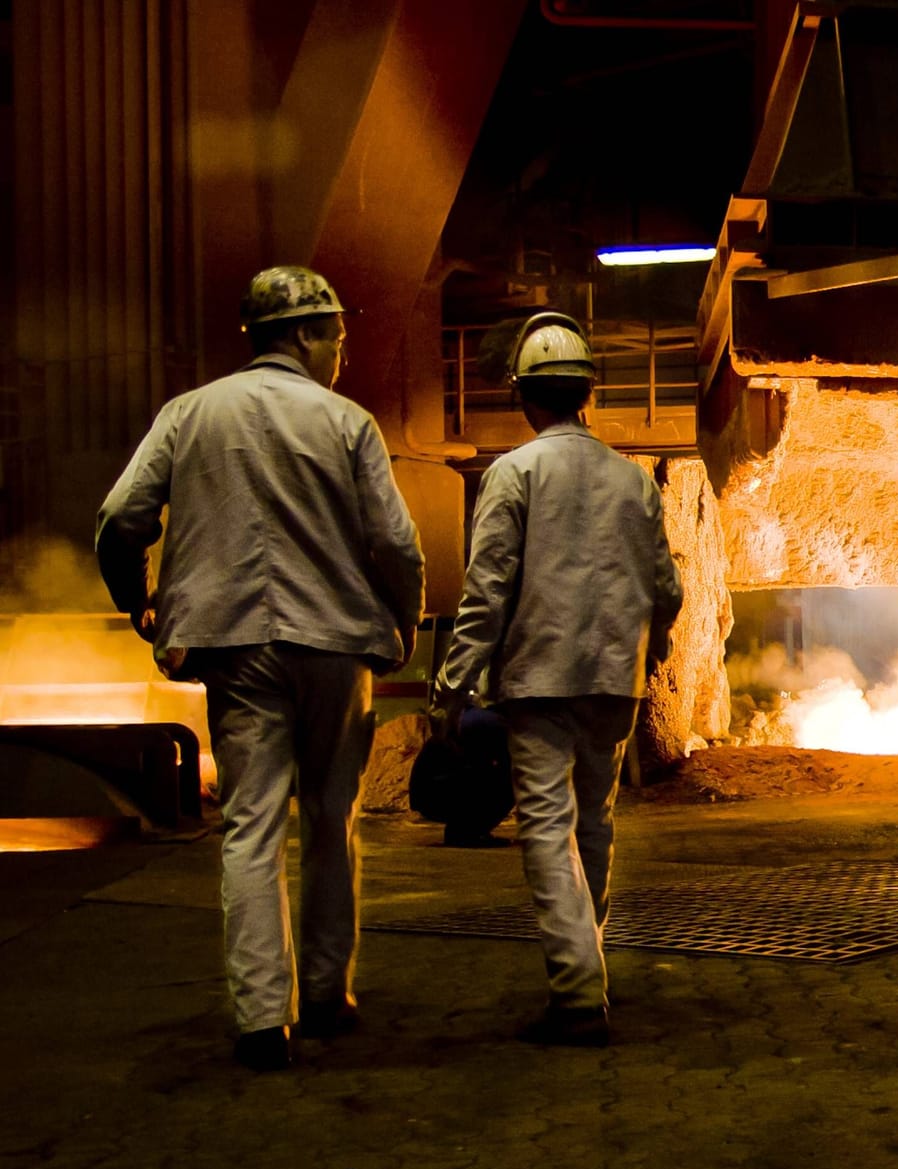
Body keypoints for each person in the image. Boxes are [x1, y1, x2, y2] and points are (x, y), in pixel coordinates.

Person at [96, 266, 425, 1072]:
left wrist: (140, 603)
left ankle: (258, 1020)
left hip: (234, 648)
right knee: (329, 818)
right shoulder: (346, 423)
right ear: (305, 335)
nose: (342, 355)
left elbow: (118, 520)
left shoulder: (187, 415)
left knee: (248, 829)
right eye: (337, 339)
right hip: (336, 646)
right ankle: (324, 995)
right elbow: (395, 544)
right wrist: (402, 623)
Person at [432, 311, 681, 1048]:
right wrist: (649, 645)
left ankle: (576, 992)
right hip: (613, 679)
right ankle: (587, 964)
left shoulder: (513, 474)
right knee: (594, 821)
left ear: (523, 398)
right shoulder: (632, 481)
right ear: (587, 395)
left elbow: (487, 590)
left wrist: (454, 682)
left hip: (539, 680)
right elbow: (665, 587)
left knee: (545, 825)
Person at [409, 704, 515, 847]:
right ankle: (467, 833)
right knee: (511, 781)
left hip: (430, 791)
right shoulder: (495, 723)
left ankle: (466, 831)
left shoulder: (481, 717)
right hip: (436, 791)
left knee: (497, 776)